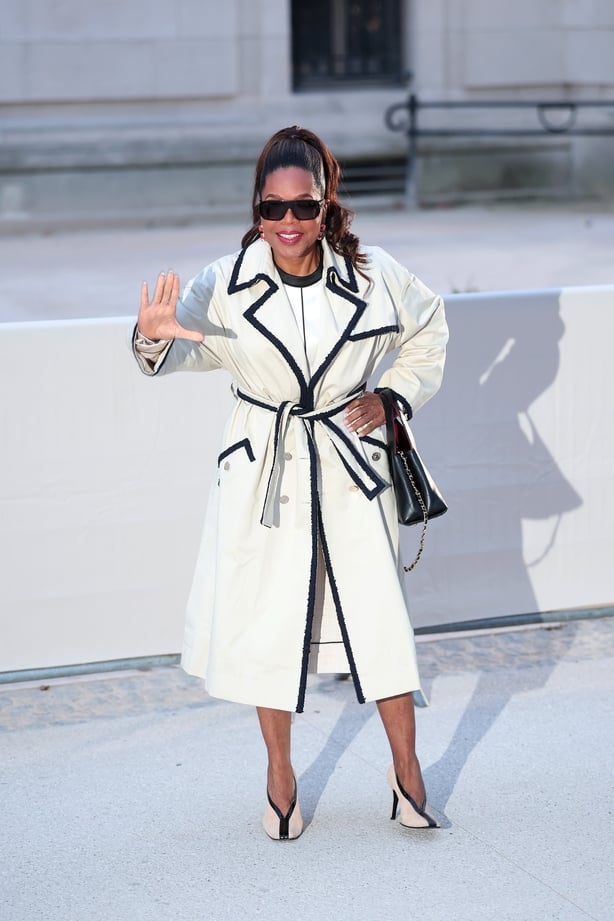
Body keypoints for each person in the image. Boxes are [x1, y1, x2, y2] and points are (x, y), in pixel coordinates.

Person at [132, 126, 448, 840]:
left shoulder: (373, 277)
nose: (287, 224)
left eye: (301, 208)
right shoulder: (226, 282)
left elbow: (429, 326)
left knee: (377, 621)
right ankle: (280, 774)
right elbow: (167, 355)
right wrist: (153, 334)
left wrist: (393, 396)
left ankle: (408, 773)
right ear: (257, 208)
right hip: (263, 473)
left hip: (347, 463)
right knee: (268, 627)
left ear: (326, 202)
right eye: (271, 208)